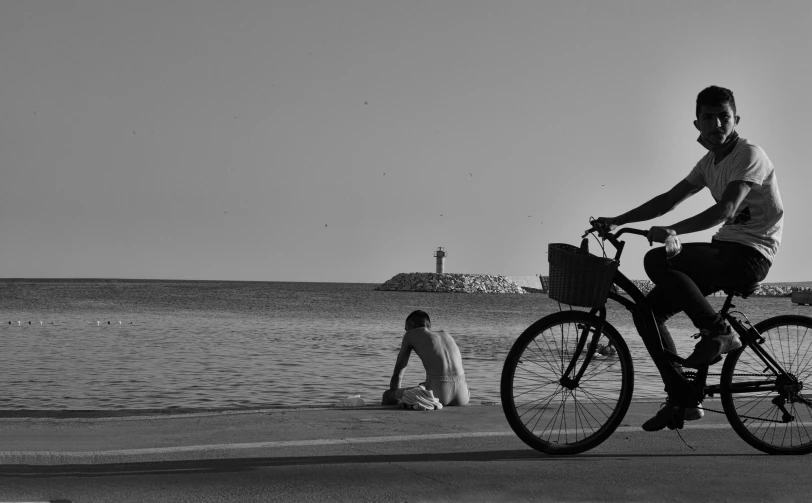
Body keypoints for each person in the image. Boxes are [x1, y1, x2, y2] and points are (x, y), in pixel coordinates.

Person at [597, 85, 784, 431]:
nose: (717, 124)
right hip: (725, 250)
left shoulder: (749, 154)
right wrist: (618, 220)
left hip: (751, 255)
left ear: (736, 119)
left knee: (658, 261)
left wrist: (673, 231)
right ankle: (682, 395)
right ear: (696, 124)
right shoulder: (708, 163)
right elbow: (668, 199)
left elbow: (726, 208)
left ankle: (720, 332)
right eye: (708, 118)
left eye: (723, 117)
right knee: (646, 312)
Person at [382, 310, 470, 406]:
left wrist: (395, 395)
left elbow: (398, 374)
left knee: (387, 396)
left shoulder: (410, 334)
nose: (406, 331)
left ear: (412, 325)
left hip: (438, 394)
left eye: (406, 328)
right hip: (463, 394)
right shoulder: (446, 335)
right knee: (422, 385)